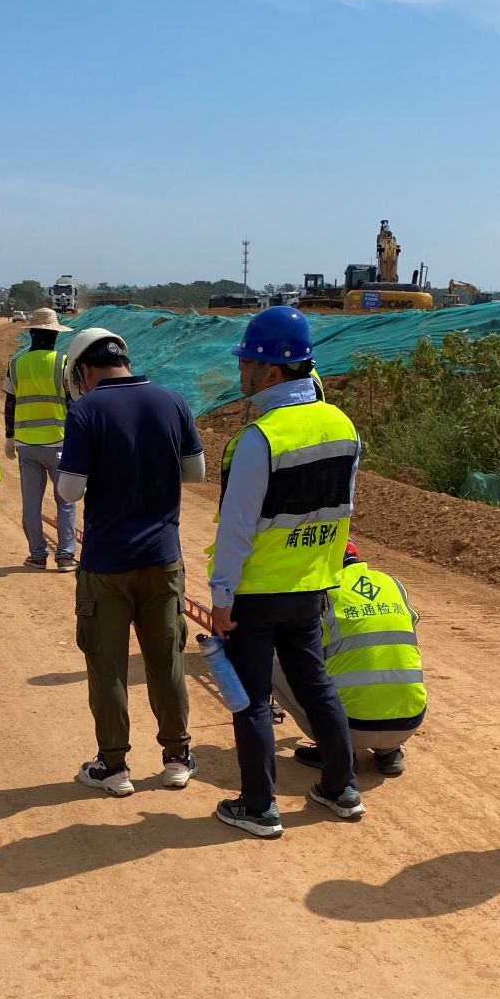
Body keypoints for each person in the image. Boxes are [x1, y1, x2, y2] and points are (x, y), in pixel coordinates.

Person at [208, 306, 361, 838]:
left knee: (252, 698)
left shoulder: (259, 439)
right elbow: (341, 512)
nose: (241, 370)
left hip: (257, 591)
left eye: (247, 362)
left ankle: (258, 806)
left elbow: (237, 527)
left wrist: (221, 596)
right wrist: (326, 576)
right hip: (310, 585)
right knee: (316, 685)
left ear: (271, 372)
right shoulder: (342, 425)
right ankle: (341, 788)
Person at [56, 329, 206, 796]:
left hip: (107, 562)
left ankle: (114, 766)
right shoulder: (173, 401)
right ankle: (177, 758)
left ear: (84, 369)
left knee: (108, 667)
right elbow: (196, 472)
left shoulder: (86, 411)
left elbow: (69, 490)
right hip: (163, 558)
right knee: (167, 660)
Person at [274, 540, 425, 777]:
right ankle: (389, 751)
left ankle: (336, 751)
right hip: (409, 721)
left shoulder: (321, 592)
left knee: (275, 660)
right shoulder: (393, 584)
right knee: (389, 656)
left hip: (352, 725)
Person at [3, 307, 77, 572]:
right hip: (60, 444)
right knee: (65, 503)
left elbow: (10, 403)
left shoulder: (17, 364)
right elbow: (73, 403)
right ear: (55, 336)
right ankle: (65, 557)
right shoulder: (64, 363)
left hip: (27, 447)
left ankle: (37, 555)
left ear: (31, 334)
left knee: (31, 505)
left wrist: (9, 436)